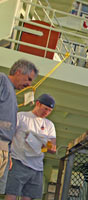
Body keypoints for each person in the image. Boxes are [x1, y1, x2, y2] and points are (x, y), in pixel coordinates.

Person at [5, 94, 56, 200]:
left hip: (37, 167)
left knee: (28, 197)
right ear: (38, 103)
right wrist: (8, 155)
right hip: (18, 161)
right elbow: (8, 136)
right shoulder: (21, 116)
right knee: (11, 194)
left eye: (49, 111)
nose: (46, 112)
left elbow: (52, 147)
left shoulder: (49, 125)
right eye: (45, 109)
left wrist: (43, 144)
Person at [0, 59, 38, 193]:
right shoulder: (2, 80)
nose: (29, 84)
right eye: (28, 79)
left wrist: (8, 153)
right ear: (19, 72)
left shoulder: (12, 94)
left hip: (4, 148)